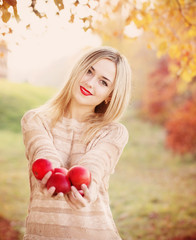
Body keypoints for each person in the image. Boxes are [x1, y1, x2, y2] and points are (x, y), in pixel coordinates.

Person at [21, 46, 131, 240]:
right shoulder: (35, 120)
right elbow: (43, 152)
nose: (90, 83)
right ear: (78, 68)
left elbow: (96, 164)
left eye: (103, 82)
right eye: (89, 71)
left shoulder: (113, 132)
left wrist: (89, 187)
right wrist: (51, 175)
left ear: (110, 95)